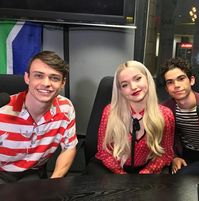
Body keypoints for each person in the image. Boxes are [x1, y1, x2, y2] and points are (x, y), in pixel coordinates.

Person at [0, 51, 78, 183]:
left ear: (63, 83)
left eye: (54, 78)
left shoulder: (66, 108)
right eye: (38, 76)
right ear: (27, 78)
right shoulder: (3, 109)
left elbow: (69, 148)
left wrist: (54, 182)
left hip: (33, 173)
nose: (46, 83)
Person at [91, 60, 175, 174]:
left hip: (148, 170)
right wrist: (120, 174)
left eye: (138, 79)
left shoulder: (165, 114)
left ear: (147, 78)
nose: (133, 87)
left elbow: (166, 154)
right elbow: (104, 150)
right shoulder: (110, 112)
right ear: (120, 91)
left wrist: (146, 173)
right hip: (113, 169)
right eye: (125, 85)